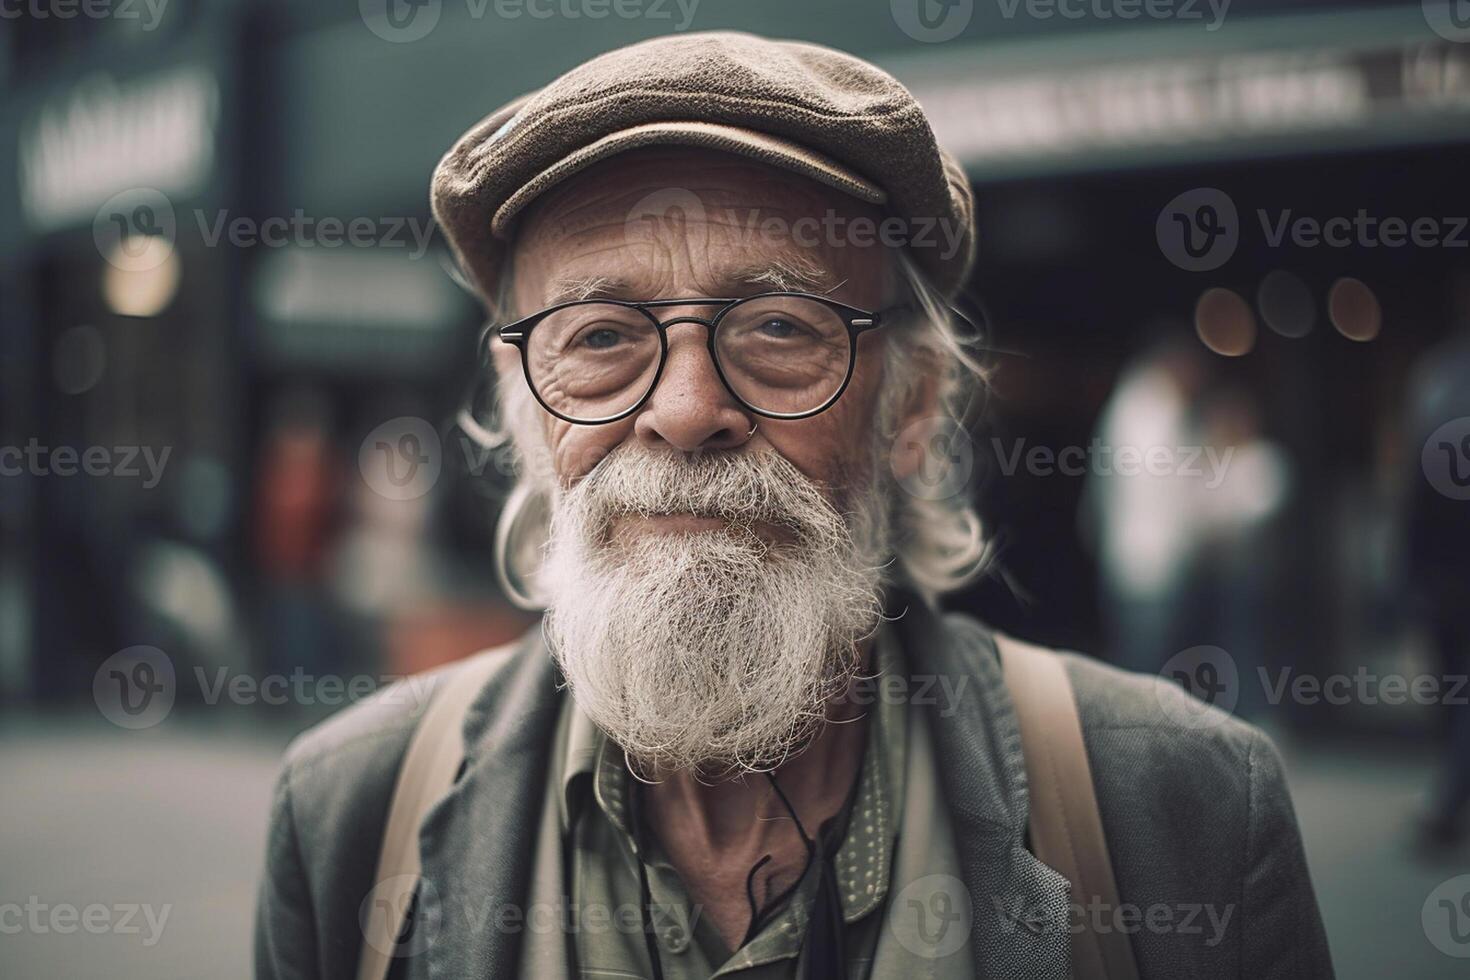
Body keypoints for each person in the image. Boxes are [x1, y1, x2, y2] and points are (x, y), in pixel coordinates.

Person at [255, 32, 1332, 979]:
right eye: (598, 337)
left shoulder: (1183, 809)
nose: (685, 410)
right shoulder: (348, 814)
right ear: (525, 416)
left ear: (909, 404)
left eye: (777, 326)